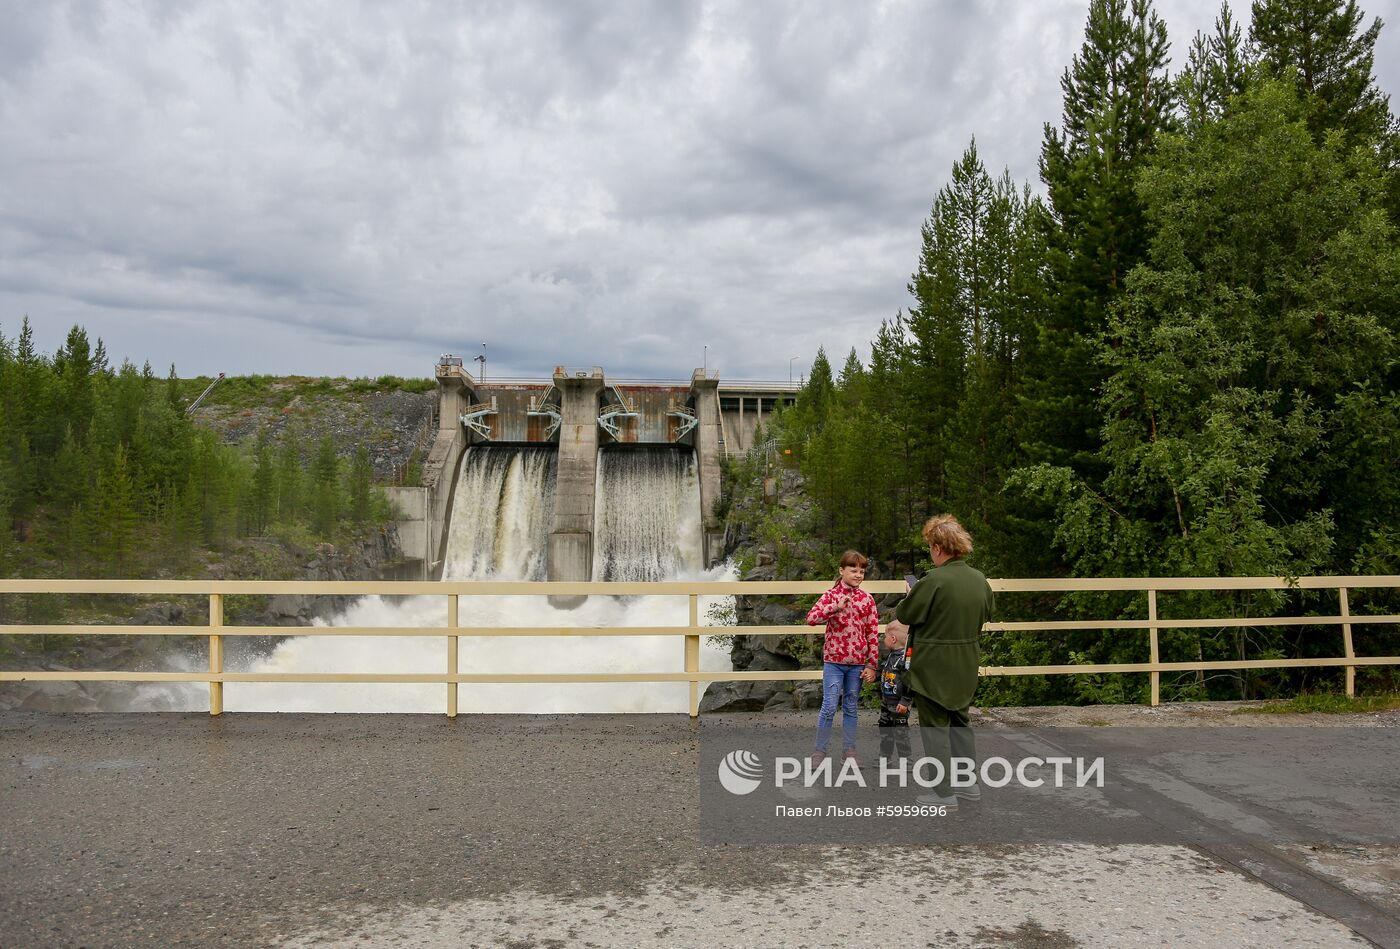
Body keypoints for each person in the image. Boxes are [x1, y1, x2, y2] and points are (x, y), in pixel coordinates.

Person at [895, 515, 994, 809]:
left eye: (930, 547)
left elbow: (906, 615)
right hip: (965, 663)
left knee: (935, 727)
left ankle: (943, 793)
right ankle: (968, 785)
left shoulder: (933, 581)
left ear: (938, 547)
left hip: (933, 666)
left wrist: (911, 595)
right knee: (960, 722)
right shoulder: (979, 580)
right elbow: (986, 613)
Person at [805, 550, 879, 764]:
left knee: (851, 706)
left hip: (856, 664)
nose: (858, 574)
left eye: (862, 571)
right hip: (834, 662)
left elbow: (872, 633)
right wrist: (834, 608)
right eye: (853, 570)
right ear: (842, 570)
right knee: (829, 706)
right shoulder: (831, 596)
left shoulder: (867, 600)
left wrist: (872, 664)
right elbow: (811, 619)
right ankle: (820, 750)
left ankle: (849, 750)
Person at [877, 622, 915, 764]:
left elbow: (910, 680)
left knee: (901, 732)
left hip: (899, 703)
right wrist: (875, 675)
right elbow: (884, 671)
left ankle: (907, 761)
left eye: (885, 637)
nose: (883, 640)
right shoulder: (890, 656)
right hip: (886, 701)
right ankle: (885, 757)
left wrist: (905, 700)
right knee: (885, 729)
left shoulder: (905, 659)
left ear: (893, 639)